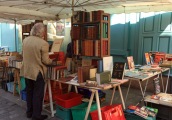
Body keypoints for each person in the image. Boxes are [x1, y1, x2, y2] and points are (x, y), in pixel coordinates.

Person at [20, 23, 53, 120]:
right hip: (37, 72)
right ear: (42, 32)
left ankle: (29, 112)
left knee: (29, 92)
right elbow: (46, 61)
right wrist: (53, 61)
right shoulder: (43, 43)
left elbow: (23, 54)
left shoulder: (25, 40)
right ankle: (36, 116)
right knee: (37, 95)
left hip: (27, 70)